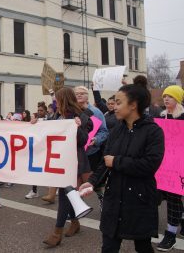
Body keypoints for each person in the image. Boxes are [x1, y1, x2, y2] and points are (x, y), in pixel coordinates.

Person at [79, 81, 164, 253]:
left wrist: (117, 161)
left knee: (143, 246)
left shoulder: (153, 131)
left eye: (119, 103)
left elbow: (150, 165)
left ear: (133, 105)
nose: (114, 107)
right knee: (109, 246)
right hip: (114, 196)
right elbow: (106, 161)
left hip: (140, 198)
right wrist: (92, 182)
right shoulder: (117, 130)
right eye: (114, 103)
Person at [42, 87, 93, 248]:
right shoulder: (58, 115)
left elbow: (83, 141)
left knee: (65, 195)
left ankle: (57, 233)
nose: (55, 102)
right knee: (68, 194)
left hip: (74, 161)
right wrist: (35, 123)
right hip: (60, 159)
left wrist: (77, 127)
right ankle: (75, 222)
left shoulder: (79, 116)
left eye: (58, 99)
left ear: (64, 99)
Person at [156, 85, 184, 251]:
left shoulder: (183, 117)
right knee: (166, 196)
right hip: (163, 164)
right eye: (165, 96)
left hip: (179, 164)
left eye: (170, 96)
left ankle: (170, 235)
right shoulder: (161, 116)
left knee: (174, 198)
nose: (166, 99)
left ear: (178, 99)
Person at [75, 86, 109, 209]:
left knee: (94, 181)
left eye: (82, 93)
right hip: (75, 152)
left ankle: (102, 199)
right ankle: (78, 206)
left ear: (87, 95)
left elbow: (104, 131)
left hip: (91, 152)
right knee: (76, 181)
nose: (79, 95)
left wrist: (95, 140)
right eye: (76, 93)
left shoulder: (96, 111)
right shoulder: (71, 110)